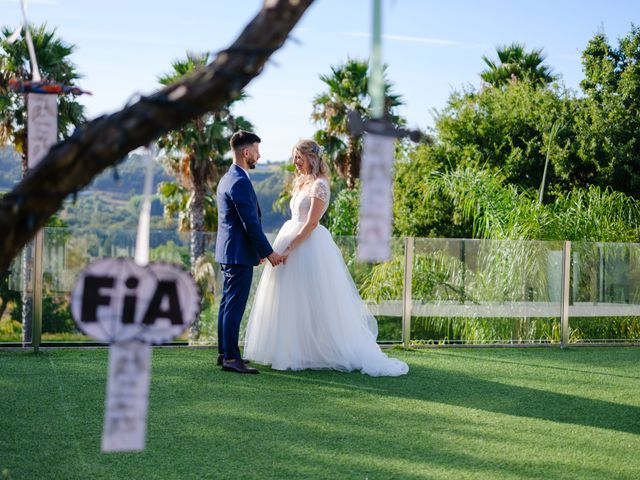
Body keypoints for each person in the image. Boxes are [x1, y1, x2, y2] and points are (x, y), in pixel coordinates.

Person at [243, 139, 409, 377]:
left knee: (314, 298)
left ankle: (319, 350)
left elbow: (311, 223)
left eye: (299, 158)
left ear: (312, 158)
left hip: (308, 246)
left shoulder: (320, 185)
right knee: (290, 299)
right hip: (291, 240)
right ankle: (293, 349)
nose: (295, 163)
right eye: (294, 158)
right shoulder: (302, 183)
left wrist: (289, 249)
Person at [215, 131, 285, 374]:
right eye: (256, 150)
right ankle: (232, 358)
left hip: (229, 252)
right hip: (237, 253)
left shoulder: (228, 177)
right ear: (246, 153)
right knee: (233, 306)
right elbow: (250, 223)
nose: (259, 155)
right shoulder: (240, 181)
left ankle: (225, 353)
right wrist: (268, 252)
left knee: (227, 304)